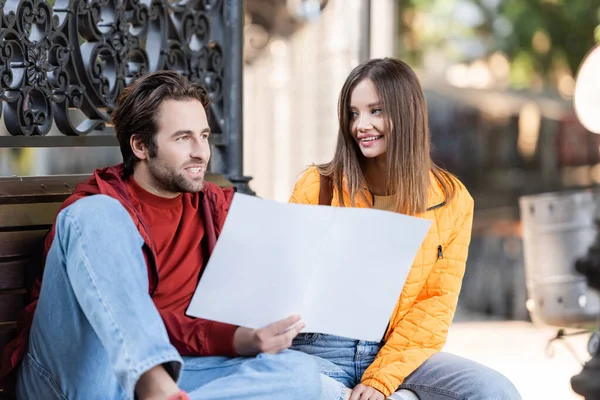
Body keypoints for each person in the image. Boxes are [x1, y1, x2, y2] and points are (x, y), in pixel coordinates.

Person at [0, 71, 321, 400]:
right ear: (140, 146)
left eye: (204, 135)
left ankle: (161, 389)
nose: (201, 152)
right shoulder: (96, 214)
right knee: (95, 214)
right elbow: (115, 316)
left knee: (300, 375)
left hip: (178, 370)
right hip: (78, 370)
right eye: (183, 138)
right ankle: (152, 380)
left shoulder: (214, 207)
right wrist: (231, 338)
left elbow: (294, 239)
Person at [289, 58, 521, 400]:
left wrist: (383, 378)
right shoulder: (318, 185)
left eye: (376, 111)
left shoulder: (452, 200)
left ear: (406, 114)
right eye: (353, 113)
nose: (361, 125)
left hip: (401, 347)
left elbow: (435, 305)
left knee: (495, 391)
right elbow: (286, 280)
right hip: (321, 348)